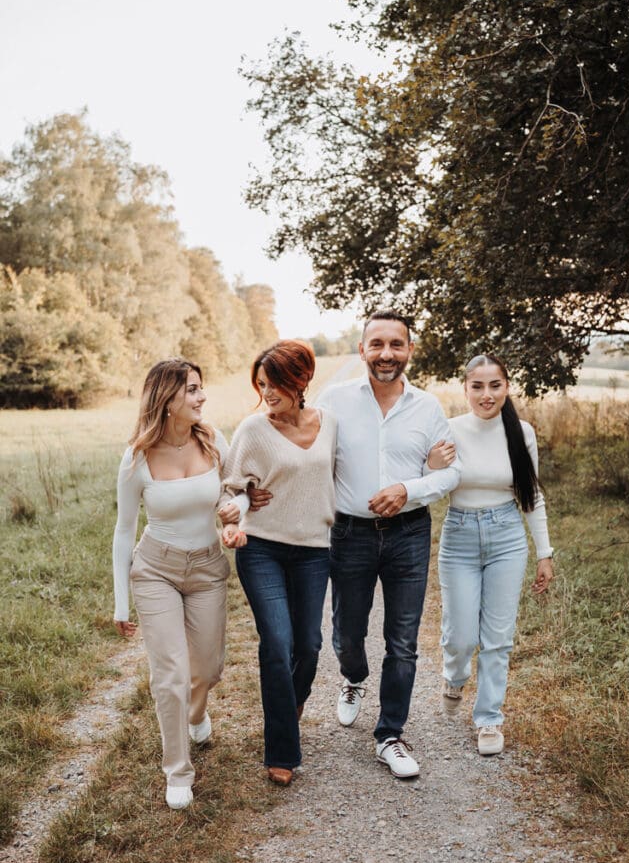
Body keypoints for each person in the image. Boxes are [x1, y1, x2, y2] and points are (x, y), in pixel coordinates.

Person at [315, 309, 460, 779]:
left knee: (403, 640)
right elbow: (308, 458)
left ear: (409, 351)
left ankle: (390, 735)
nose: (386, 354)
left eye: (396, 345)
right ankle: (354, 678)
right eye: (376, 344)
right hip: (350, 534)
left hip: (409, 534)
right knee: (346, 635)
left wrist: (409, 489)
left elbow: (451, 471)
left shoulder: (428, 406)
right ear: (362, 350)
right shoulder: (333, 401)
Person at [112, 358, 239, 810]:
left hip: (206, 568)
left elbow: (234, 492)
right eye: (192, 389)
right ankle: (177, 770)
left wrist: (232, 510)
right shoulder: (137, 458)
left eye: (200, 388)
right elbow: (125, 530)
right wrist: (121, 602)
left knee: (207, 667)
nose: (201, 397)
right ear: (166, 399)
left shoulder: (214, 440)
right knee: (170, 673)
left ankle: (197, 714)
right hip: (155, 570)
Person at [219, 340, 336, 788]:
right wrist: (240, 503)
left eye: (277, 384)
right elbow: (231, 490)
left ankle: (291, 702)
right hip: (262, 547)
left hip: (313, 550)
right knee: (277, 642)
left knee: (308, 646)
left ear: (302, 381)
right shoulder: (253, 429)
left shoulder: (330, 424)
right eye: (262, 384)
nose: (268, 393)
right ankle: (282, 750)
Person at [429, 353, 554, 756]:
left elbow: (531, 495)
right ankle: (454, 675)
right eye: (477, 386)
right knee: (462, 636)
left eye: (494, 386)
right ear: (464, 388)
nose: (486, 395)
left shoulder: (521, 432)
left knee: (497, 639)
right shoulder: (447, 430)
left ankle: (489, 719)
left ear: (506, 387)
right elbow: (429, 484)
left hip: (507, 538)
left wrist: (544, 553)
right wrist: (431, 464)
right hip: (460, 534)